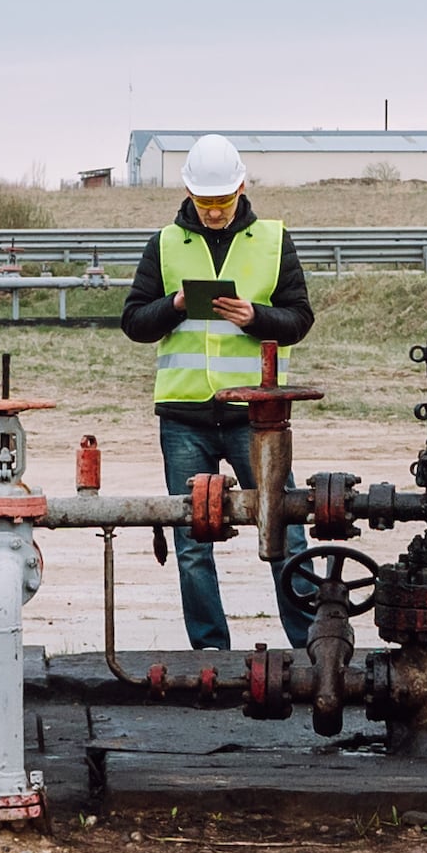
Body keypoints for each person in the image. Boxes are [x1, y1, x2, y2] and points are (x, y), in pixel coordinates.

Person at [115, 132, 316, 648]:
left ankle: (313, 645)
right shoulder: (164, 244)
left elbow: (299, 319)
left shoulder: (273, 240)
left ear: (241, 188)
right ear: (188, 194)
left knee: (286, 531)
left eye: (222, 202)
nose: (213, 212)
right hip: (184, 416)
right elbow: (135, 321)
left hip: (256, 416)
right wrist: (175, 305)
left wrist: (256, 318)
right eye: (204, 203)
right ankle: (211, 653)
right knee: (191, 541)